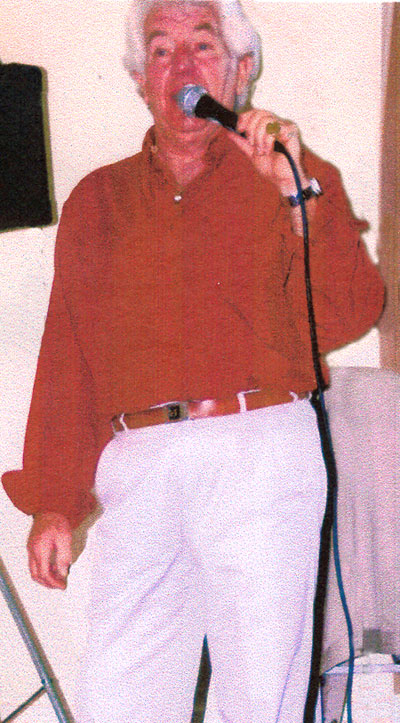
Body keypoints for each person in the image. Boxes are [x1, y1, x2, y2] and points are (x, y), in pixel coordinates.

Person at [2, 1, 385, 721]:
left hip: (259, 452)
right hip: (137, 459)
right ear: (139, 79)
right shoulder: (97, 200)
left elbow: (350, 310)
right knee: (121, 698)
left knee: (261, 696)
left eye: (203, 46)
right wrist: (56, 500)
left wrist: (297, 198)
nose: (182, 65)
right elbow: (68, 358)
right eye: (160, 50)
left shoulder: (291, 176)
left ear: (241, 70)